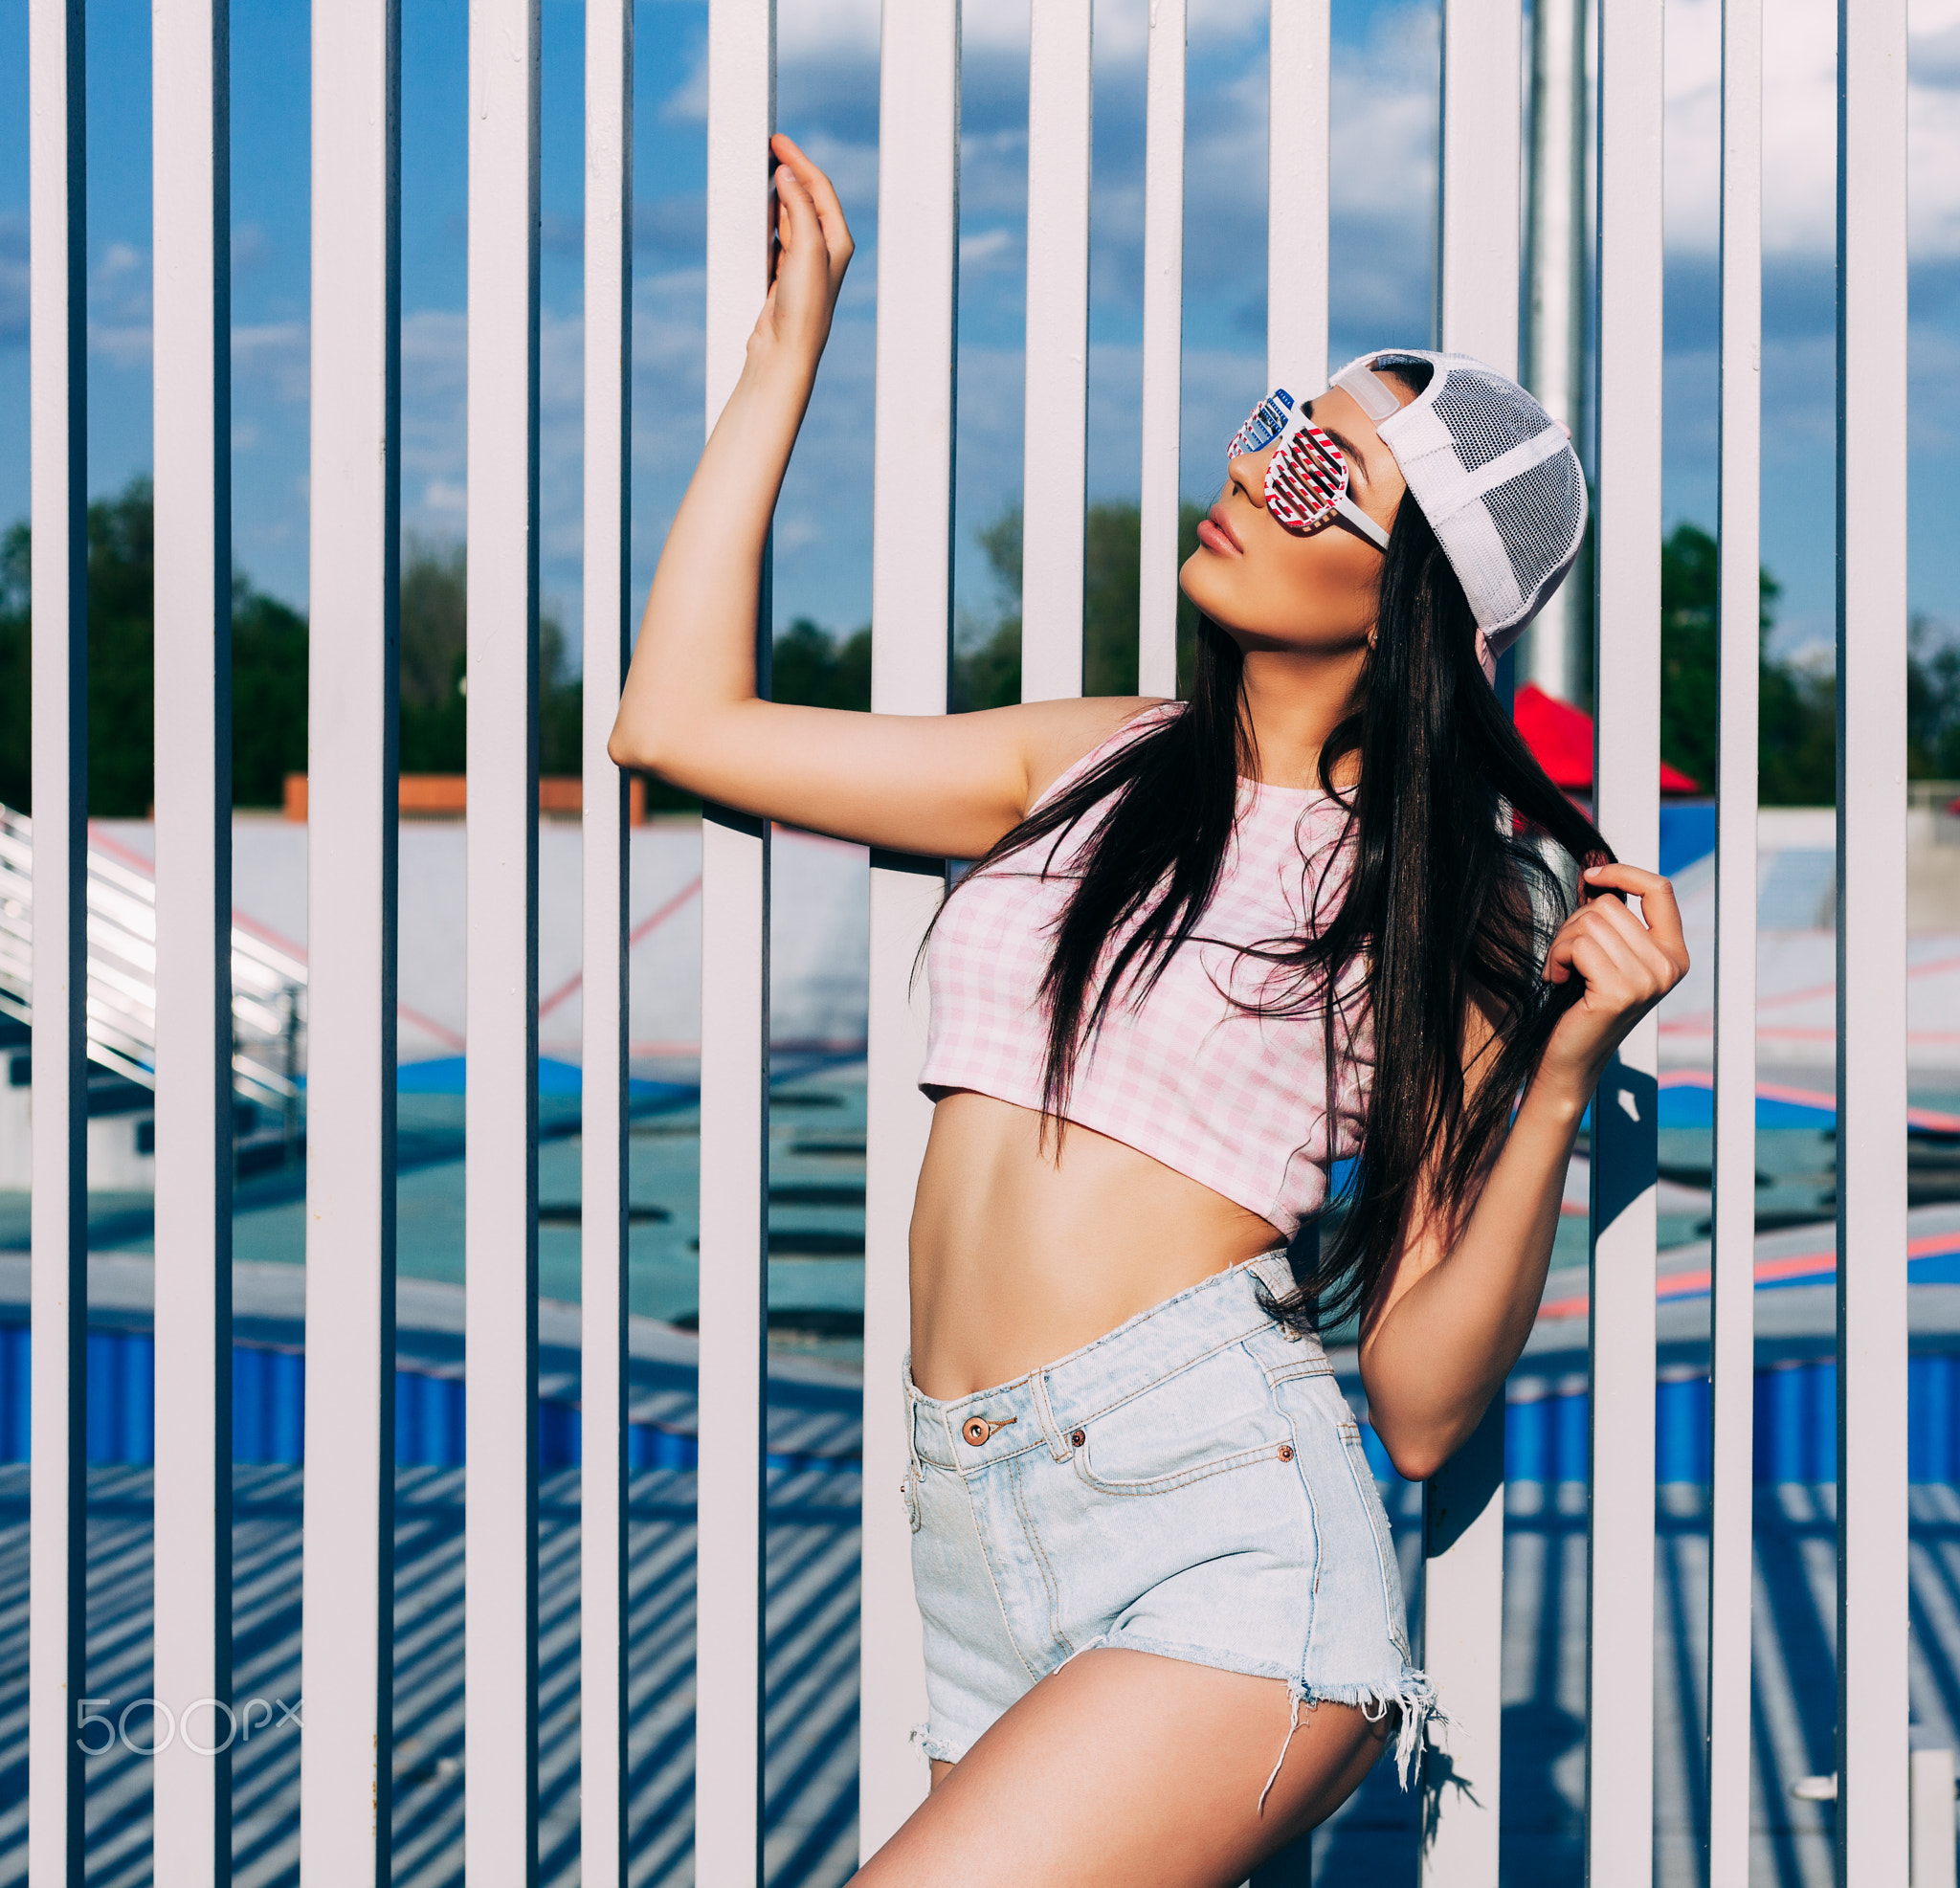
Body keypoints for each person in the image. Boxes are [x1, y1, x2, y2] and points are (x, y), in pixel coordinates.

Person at [610, 135, 1687, 1885]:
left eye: (1325, 471)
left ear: (1411, 597)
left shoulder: (1441, 905)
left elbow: (1417, 1403)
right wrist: (787, 347)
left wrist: (1562, 1070)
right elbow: (675, 720)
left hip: (1222, 1531)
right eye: (1279, 424)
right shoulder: (1091, 757)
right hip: (970, 1530)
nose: (1258, 474)